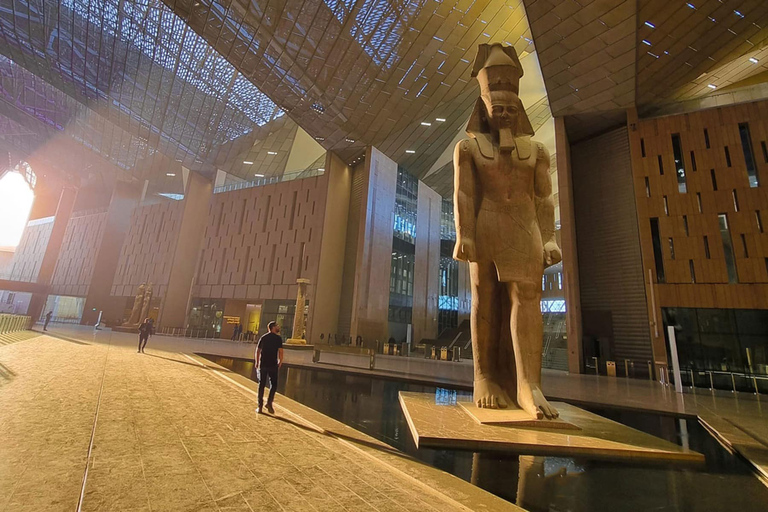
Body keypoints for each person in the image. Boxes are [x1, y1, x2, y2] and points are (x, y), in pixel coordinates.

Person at [255, 321, 283, 414]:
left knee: (261, 385)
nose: (278, 327)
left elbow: (258, 350)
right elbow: (281, 351)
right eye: (277, 326)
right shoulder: (278, 339)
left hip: (263, 364)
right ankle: (269, 403)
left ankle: (260, 406)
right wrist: (280, 361)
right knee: (274, 385)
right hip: (273, 364)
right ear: (272, 327)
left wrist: (257, 362)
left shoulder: (264, 337)